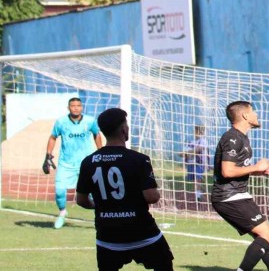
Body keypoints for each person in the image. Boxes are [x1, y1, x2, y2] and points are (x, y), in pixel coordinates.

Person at [75, 108, 174, 271]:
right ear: (123, 129)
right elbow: (151, 197)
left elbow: (81, 200)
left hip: (107, 235)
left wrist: (102, 206)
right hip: (142, 233)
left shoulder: (88, 162)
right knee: (164, 266)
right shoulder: (139, 159)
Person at [211, 101, 269, 271]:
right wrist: (256, 166)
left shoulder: (241, 137)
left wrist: (259, 171)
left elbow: (237, 170)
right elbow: (227, 171)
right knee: (267, 234)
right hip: (228, 197)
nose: (256, 115)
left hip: (237, 194)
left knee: (267, 239)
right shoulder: (232, 138)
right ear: (245, 115)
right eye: (253, 111)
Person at [43, 97, 102, 229]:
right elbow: (53, 137)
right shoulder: (61, 122)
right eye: (73, 106)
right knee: (59, 191)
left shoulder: (90, 121)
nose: (76, 108)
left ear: (82, 107)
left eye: (78, 105)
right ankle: (62, 212)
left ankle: (100, 216)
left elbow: (97, 134)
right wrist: (48, 154)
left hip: (86, 164)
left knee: (93, 193)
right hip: (66, 164)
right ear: (68, 108)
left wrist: (101, 151)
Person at [180, 124, 211, 201]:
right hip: (191, 163)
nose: (198, 132)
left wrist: (187, 152)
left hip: (199, 163)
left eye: (200, 131)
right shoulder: (191, 142)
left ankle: (198, 196)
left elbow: (197, 150)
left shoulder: (203, 141)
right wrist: (185, 153)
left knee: (198, 179)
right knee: (194, 180)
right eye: (196, 131)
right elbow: (181, 153)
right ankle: (198, 193)